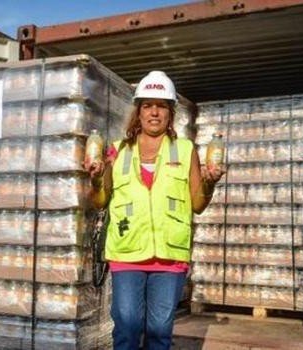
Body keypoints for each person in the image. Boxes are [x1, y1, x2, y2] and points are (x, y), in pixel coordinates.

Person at [85, 71, 224, 350]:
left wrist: (209, 184)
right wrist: (97, 178)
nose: (154, 112)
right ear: (138, 111)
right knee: (127, 325)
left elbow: (197, 204)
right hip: (127, 252)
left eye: (161, 106)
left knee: (160, 331)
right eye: (147, 105)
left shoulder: (185, 151)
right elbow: (99, 201)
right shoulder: (116, 151)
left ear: (170, 113)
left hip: (170, 256)